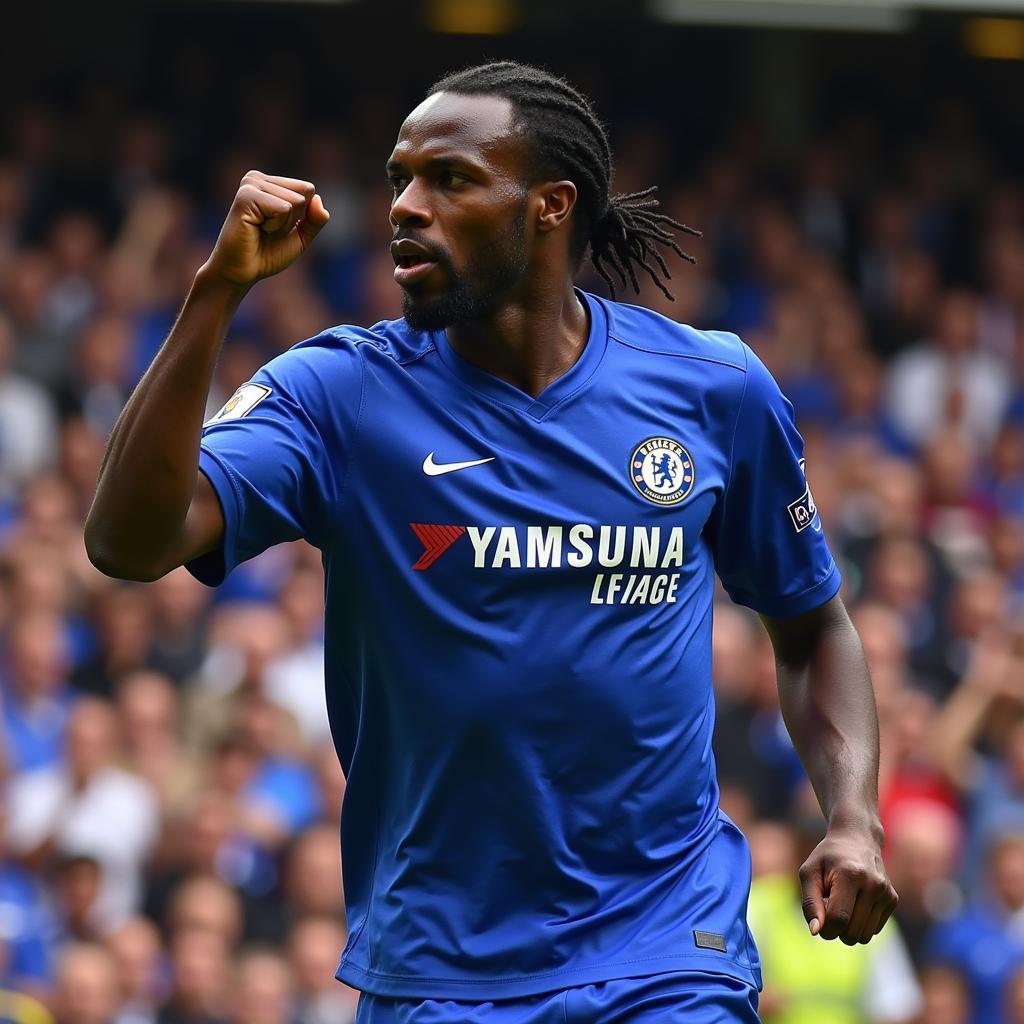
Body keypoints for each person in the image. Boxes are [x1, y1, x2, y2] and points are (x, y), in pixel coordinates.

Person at [85, 62, 897, 1022]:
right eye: (399, 179)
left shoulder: (712, 389)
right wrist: (214, 294)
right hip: (441, 968)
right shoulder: (338, 395)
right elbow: (131, 544)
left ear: (551, 206)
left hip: (668, 949)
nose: (406, 208)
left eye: (451, 179)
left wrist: (853, 818)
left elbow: (811, 625)